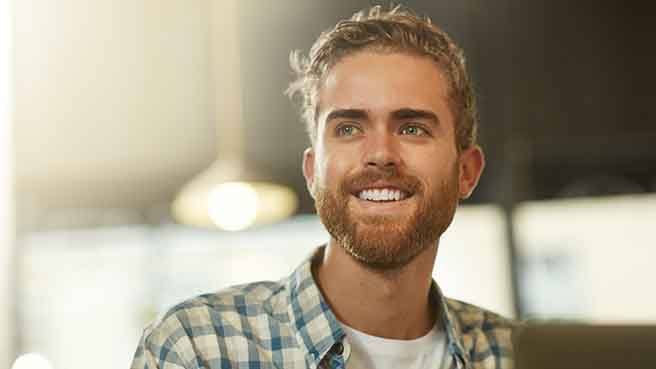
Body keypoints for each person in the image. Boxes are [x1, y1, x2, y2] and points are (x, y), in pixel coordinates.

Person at [131, 5, 518, 369]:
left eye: (412, 128)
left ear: (466, 172)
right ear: (312, 172)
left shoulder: (519, 356)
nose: (381, 154)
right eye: (348, 129)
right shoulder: (198, 349)